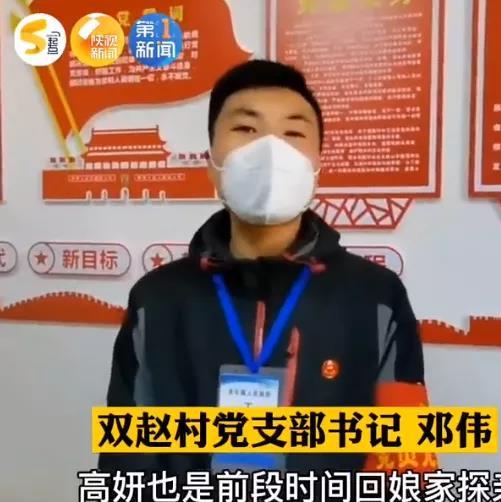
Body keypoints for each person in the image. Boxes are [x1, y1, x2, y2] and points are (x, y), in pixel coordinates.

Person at [99, 59, 424, 477]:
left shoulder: (377, 297)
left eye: (293, 133)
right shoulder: (157, 299)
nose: (271, 150)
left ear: (317, 166)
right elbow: (126, 463)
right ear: (211, 161)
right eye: (246, 129)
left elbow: (403, 464)